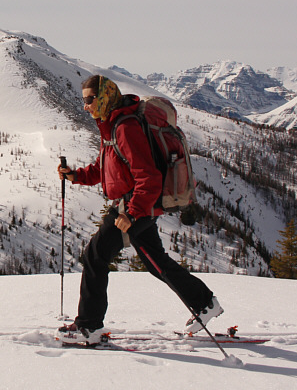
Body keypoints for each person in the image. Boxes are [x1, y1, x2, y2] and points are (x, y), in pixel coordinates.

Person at [57, 75, 222, 344]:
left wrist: (131, 213)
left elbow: (149, 176)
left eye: (89, 99)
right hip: (136, 205)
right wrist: (76, 175)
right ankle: (205, 303)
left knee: (95, 256)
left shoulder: (125, 127)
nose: (85, 106)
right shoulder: (111, 125)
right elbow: (105, 168)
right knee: (157, 263)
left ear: (104, 97)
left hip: (134, 205)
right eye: (84, 100)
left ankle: (89, 327)